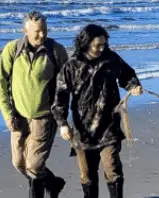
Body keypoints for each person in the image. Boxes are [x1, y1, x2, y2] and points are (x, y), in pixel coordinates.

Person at [51, 24, 143, 198]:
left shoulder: (111, 59)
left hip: (109, 126)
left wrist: (134, 86)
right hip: (83, 130)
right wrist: (62, 124)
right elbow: (60, 97)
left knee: (113, 170)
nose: (101, 48)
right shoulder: (71, 66)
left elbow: (127, 75)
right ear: (86, 43)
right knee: (87, 175)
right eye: (97, 45)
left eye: (104, 44)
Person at [0, 10, 69, 198]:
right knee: (19, 163)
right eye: (37, 31)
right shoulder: (12, 49)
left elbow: (66, 85)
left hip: (44, 118)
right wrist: (7, 114)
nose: (42, 34)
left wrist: (63, 120)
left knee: (34, 166)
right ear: (25, 31)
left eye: (44, 30)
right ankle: (53, 183)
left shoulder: (56, 51)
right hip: (18, 117)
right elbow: (1, 81)